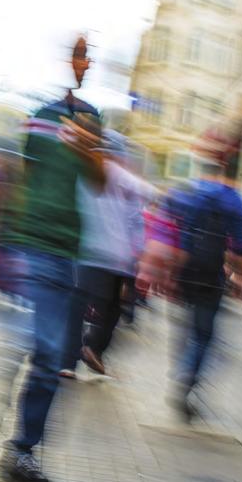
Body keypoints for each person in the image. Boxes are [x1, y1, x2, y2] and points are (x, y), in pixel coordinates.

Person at [0, 35, 107, 482]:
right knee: (43, 347)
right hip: (32, 242)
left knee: (53, 355)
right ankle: (20, 448)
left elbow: (99, 181)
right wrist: (2, 237)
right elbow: (15, 172)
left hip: (68, 250)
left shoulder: (92, 117)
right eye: (79, 53)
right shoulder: (34, 113)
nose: (86, 62)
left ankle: (24, 450)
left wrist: (87, 148)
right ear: (63, 59)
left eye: (88, 54)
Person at [61, 131, 156, 378]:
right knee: (112, 309)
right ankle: (93, 348)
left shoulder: (83, 172)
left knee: (77, 304)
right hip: (118, 257)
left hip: (87, 253)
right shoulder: (120, 174)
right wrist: (140, 253)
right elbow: (140, 213)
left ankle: (68, 361)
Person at [165, 157, 242, 421]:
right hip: (212, 273)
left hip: (185, 269)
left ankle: (180, 364)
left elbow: (170, 228)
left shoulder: (187, 192)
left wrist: (170, 271)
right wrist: (236, 275)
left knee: (183, 326)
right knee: (204, 334)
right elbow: (241, 248)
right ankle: (189, 374)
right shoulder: (233, 200)